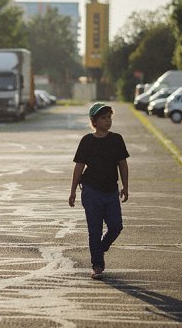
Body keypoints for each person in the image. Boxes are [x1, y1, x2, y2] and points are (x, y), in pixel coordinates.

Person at [69, 102, 129, 280]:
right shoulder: (87, 141)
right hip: (91, 191)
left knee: (116, 226)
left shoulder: (116, 139)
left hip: (111, 191)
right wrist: (72, 190)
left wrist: (126, 186)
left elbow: (123, 164)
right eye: (103, 118)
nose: (108, 121)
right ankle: (97, 265)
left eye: (109, 117)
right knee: (94, 230)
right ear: (94, 121)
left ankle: (100, 248)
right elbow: (79, 167)